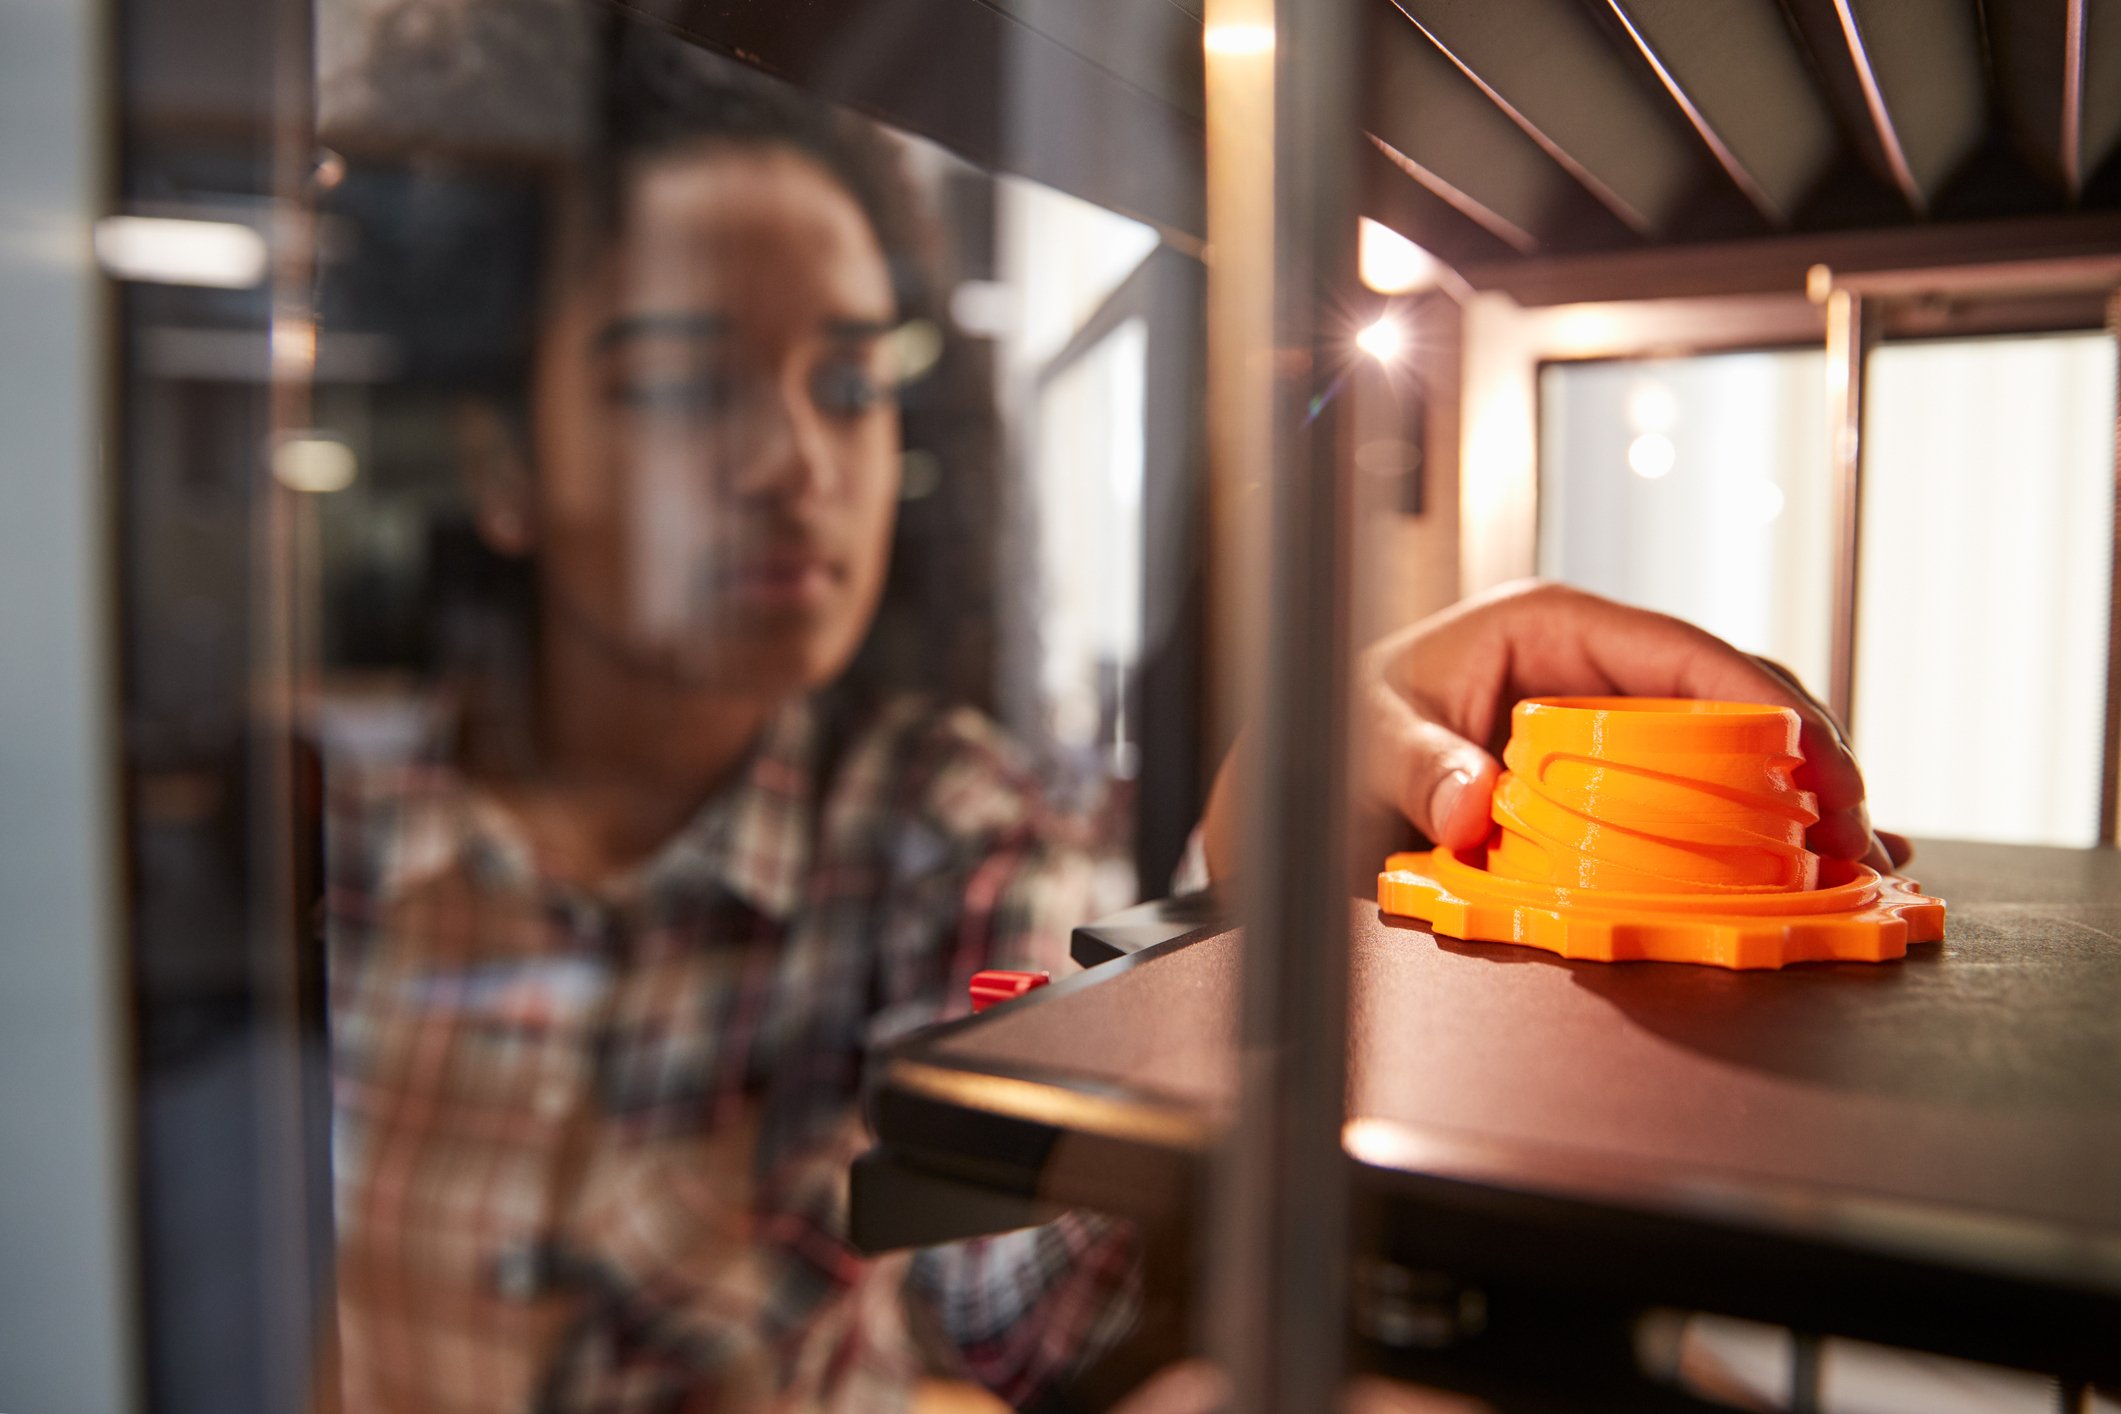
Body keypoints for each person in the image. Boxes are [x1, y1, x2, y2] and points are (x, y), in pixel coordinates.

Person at [321, 36, 1907, 1414]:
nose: (795, 462)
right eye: (683, 380)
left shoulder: (945, 828)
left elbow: (1018, 1291)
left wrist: (1250, 869)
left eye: (848, 383)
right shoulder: (313, 845)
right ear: (499, 462)